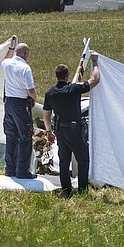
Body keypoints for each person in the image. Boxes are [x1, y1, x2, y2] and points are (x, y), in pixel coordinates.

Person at [43, 53, 101, 198]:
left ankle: (66, 190)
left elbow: (46, 115)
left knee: (64, 161)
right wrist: (95, 63)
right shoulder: (74, 89)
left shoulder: (50, 93)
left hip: (60, 131)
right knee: (83, 160)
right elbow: (95, 80)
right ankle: (82, 190)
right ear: (67, 75)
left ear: (57, 76)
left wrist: (49, 131)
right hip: (75, 131)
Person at [2, 36, 37, 179]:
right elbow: (30, 90)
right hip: (21, 104)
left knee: (11, 136)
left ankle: (10, 168)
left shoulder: (6, 63)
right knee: (26, 137)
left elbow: (6, 58)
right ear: (26, 53)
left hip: (8, 102)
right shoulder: (25, 68)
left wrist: (11, 47)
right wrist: (34, 99)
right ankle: (22, 170)